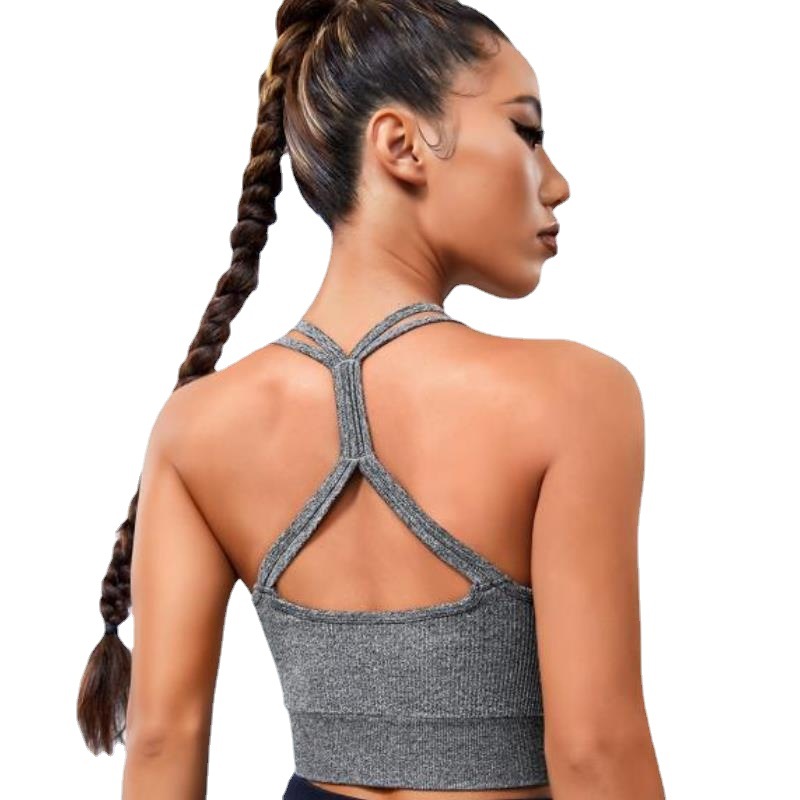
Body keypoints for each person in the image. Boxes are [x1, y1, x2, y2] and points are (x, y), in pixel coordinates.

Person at [77, 1, 665, 798]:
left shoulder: (196, 428)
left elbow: (160, 742)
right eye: (526, 131)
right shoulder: (574, 398)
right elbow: (596, 752)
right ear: (400, 145)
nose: (556, 183)